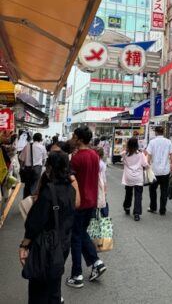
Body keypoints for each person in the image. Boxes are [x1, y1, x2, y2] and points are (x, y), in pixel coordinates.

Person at [19, 151, 78, 304]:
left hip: (45, 246)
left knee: (38, 288)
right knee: (54, 285)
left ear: (50, 167)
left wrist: (24, 245)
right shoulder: (71, 189)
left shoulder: (48, 193)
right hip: (63, 243)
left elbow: (34, 223)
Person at [66, 127, 106, 289]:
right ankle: (96, 262)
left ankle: (77, 274)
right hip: (91, 201)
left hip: (78, 202)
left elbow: (70, 180)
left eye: (75, 137)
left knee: (75, 237)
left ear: (80, 139)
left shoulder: (75, 159)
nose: (73, 139)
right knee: (82, 233)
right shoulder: (94, 155)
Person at [146, 126, 172, 216]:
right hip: (165, 170)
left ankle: (153, 207)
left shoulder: (152, 142)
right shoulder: (168, 142)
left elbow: (149, 156)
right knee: (164, 190)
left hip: (154, 170)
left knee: (152, 190)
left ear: (156, 132)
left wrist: (147, 166)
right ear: (163, 132)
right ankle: (162, 209)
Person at [121, 137, 148, 221]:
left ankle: (127, 207)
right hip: (138, 177)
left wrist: (126, 147)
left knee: (128, 193)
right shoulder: (140, 154)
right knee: (138, 195)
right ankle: (137, 213)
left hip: (128, 177)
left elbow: (121, 155)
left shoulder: (125, 154)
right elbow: (145, 165)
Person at [19, 133, 47, 199]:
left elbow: (21, 159)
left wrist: (21, 167)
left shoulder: (27, 146)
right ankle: (31, 201)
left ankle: (25, 200)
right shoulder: (42, 147)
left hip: (27, 168)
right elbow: (44, 160)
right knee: (35, 185)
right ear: (40, 139)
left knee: (27, 185)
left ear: (33, 138)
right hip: (37, 168)